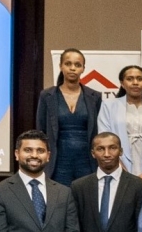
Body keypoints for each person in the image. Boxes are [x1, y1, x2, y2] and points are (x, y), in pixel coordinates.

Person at [36, 48, 102, 185]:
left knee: (85, 201)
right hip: (58, 160)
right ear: (60, 66)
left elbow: (99, 131)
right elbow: (40, 130)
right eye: (68, 64)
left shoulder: (95, 97)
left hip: (87, 160)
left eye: (77, 65)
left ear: (83, 68)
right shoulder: (47, 96)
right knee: (59, 200)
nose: (73, 68)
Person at [97, 65, 142, 180]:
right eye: (130, 79)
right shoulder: (108, 106)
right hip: (118, 168)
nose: (135, 82)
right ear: (122, 83)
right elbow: (105, 141)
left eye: (139, 79)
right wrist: (123, 172)